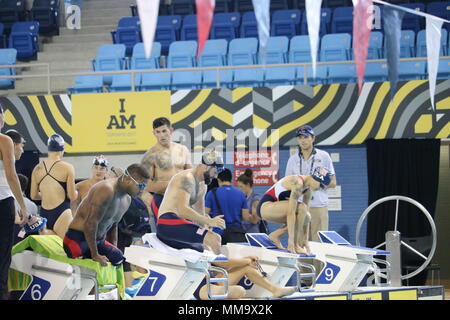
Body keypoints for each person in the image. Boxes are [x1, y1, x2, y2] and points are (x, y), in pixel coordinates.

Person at [63, 164, 150, 267]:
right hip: (77, 239)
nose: (142, 190)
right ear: (128, 180)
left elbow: (113, 225)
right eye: (141, 186)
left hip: (98, 241)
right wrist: (95, 255)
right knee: (81, 255)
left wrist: (113, 248)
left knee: (118, 259)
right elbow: (90, 223)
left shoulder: (127, 199)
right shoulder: (106, 189)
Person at [156, 150, 226, 254]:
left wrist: (207, 227)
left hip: (178, 224)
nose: (215, 177)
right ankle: (221, 269)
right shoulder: (187, 178)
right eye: (215, 172)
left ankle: (214, 268)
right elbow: (182, 210)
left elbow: (199, 215)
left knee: (206, 246)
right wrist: (209, 221)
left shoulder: (203, 185)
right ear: (206, 166)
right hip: (167, 222)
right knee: (214, 239)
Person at [256, 167, 332, 254]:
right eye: (321, 185)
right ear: (315, 179)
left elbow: (305, 217)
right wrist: (291, 241)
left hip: (277, 208)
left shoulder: (308, 189)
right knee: (301, 208)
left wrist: (305, 240)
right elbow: (291, 213)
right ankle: (294, 245)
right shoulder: (297, 183)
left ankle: (275, 235)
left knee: (307, 216)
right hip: (265, 207)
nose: (320, 189)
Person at [285, 125, 336, 241]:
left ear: (313, 138)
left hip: (319, 206)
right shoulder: (293, 160)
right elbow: (287, 185)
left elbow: (333, 182)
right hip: (299, 206)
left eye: (306, 137)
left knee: (320, 245)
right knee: (300, 243)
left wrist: (318, 186)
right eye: (300, 137)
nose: (303, 140)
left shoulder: (323, 157)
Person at [0, 105, 29, 300]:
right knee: (2, 259)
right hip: (3, 201)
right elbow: (11, 175)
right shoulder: (5, 140)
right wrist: (23, 206)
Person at [141, 117, 192, 219]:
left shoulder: (183, 150)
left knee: (185, 232)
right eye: (158, 132)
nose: (161, 135)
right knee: (167, 233)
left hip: (183, 199)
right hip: (162, 199)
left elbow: (190, 176)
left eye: (164, 131)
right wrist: (173, 183)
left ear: (171, 130)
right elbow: (145, 185)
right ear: (154, 133)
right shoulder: (150, 155)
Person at [30, 134, 77, 239]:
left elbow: (33, 196)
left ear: (48, 149)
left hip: (44, 213)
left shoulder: (37, 168)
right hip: (62, 212)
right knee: (65, 249)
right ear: (62, 150)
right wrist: (76, 193)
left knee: (49, 250)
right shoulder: (68, 167)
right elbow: (72, 196)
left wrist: (47, 194)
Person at [193, 256, 297, 300]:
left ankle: (275, 289)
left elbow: (224, 264)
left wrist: (246, 260)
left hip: (214, 280)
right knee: (239, 291)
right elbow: (223, 263)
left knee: (247, 267)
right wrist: (247, 260)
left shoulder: (206, 244)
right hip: (201, 287)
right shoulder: (192, 243)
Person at [205, 168, 257, 244]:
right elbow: (246, 217)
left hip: (218, 235)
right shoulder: (241, 194)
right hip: (236, 235)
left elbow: (205, 214)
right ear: (231, 179)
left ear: (218, 180)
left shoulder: (212, 193)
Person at [236, 169, 264, 234]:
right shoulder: (243, 198)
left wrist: (243, 213)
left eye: (241, 187)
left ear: (248, 185)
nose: (239, 189)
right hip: (242, 232)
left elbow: (255, 220)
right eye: (238, 187)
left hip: (253, 233)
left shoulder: (255, 199)